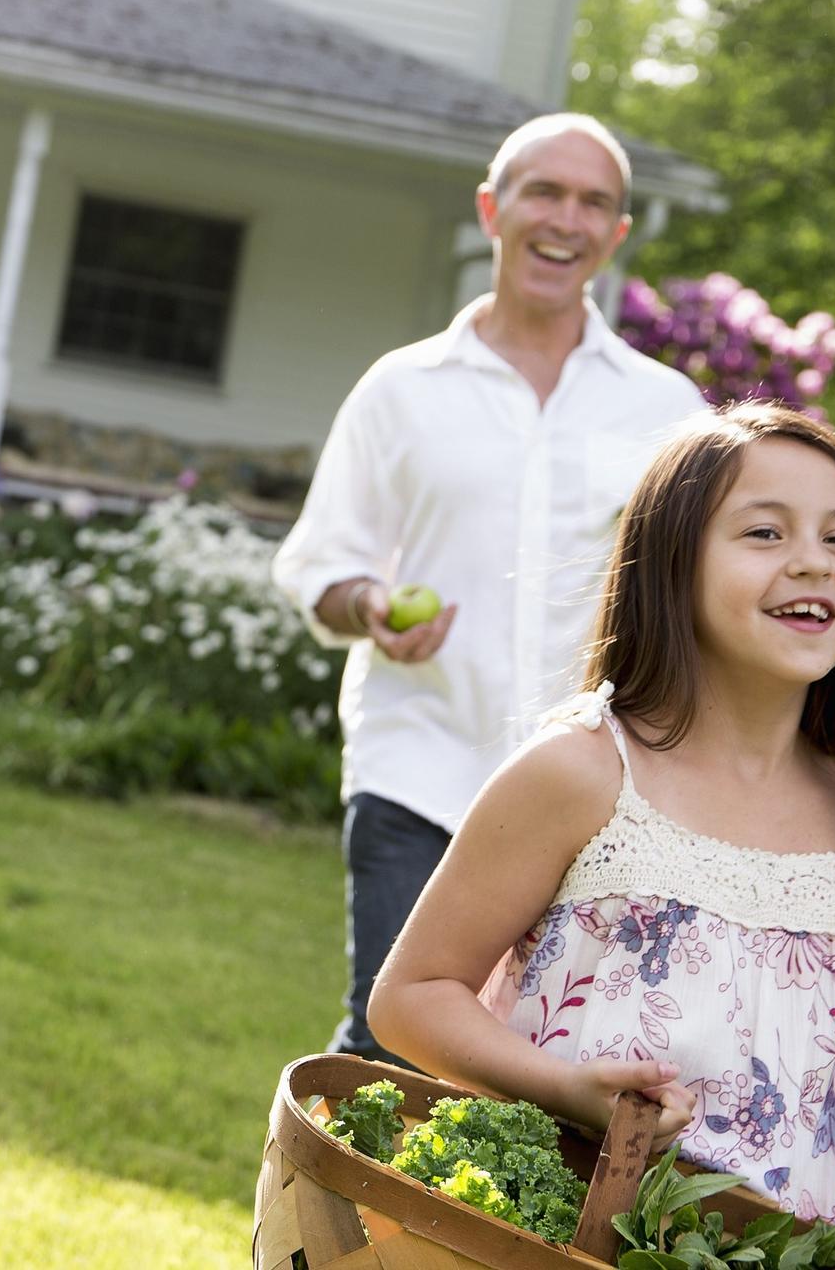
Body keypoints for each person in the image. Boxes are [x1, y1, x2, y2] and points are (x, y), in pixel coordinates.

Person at [367, 404, 835, 1257]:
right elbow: (411, 998)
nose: (811, 565)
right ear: (673, 565)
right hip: (559, 1243)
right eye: (763, 532)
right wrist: (569, 1089)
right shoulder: (584, 774)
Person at [272, 113, 705, 1062]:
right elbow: (319, 563)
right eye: (543, 191)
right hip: (418, 767)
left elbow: (698, 591)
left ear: (618, 234)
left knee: (550, 1061)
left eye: (595, 202)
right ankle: (309, 1213)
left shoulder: (666, 410)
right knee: (392, 1043)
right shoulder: (403, 389)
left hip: (593, 791)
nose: (566, 218)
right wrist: (370, 609)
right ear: (492, 209)